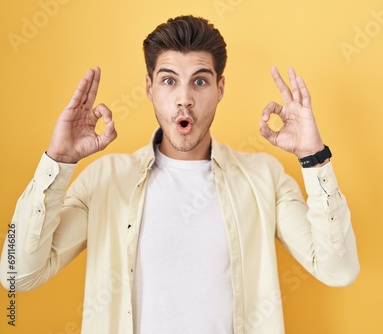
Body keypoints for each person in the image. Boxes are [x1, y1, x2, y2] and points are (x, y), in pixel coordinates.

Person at [0, 15, 359, 334]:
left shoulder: (264, 177)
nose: (184, 98)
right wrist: (57, 162)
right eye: (169, 81)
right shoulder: (104, 180)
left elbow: (338, 270)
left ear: (220, 88)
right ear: (149, 88)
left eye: (200, 82)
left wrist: (314, 158)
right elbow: (17, 274)